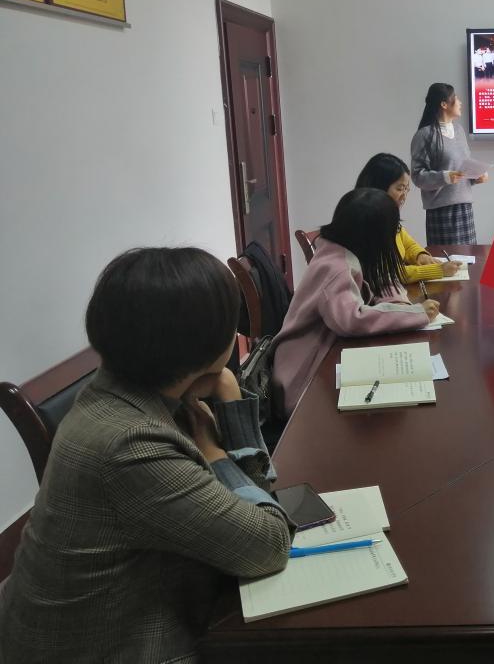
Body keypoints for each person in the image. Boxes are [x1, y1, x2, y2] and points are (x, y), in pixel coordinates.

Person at [0, 248, 291, 663]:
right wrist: (217, 451)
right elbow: (267, 544)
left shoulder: (117, 389)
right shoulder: (130, 445)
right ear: (205, 343)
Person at [272, 188, 440, 416]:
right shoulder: (336, 268)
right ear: (375, 237)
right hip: (301, 382)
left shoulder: (343, 250)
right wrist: (415, 314)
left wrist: (400, 306)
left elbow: (380, 280)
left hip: (323, 360)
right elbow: (352, 320)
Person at [356, 152, 463, 281]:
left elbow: (408, 244)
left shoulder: (386, 216)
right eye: (400, 189)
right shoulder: (366, 221)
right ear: (379, 187)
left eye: (407, 189)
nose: (404, 195)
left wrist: (420, 255)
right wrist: (439, 270)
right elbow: (388, 273)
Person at [410, 82, 488, 246]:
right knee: (447, 259)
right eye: (456, 99)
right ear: (444, 104)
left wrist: (475, 177)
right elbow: (417, 176)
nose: (460, 103)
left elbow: (462, 168)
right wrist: (444, 177)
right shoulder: (424, 135)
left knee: (469, 259)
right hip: (441, 212)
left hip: (465, 208)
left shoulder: (459, 131)